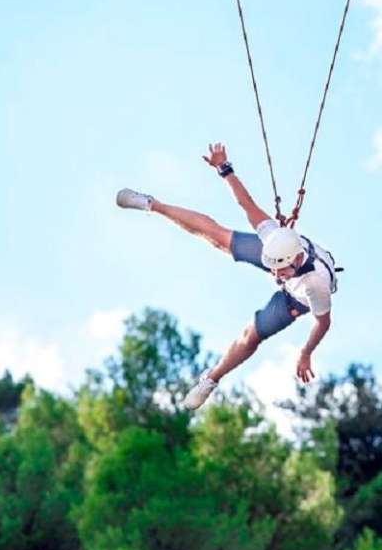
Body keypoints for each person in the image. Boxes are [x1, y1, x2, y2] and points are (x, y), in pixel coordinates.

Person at [115, 143, 338, 410]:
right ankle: (153, 205)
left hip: (296, 299)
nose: (274, 275)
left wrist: (305, 353)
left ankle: (210, 379)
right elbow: (246, 204)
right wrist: (224, 167)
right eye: (273, 268)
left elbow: (322, 323)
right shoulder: (273, 238)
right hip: (283, 251)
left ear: (295, 261)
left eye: (280, 270)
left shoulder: (315, 285)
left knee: (251, 337)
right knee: (220, 238)